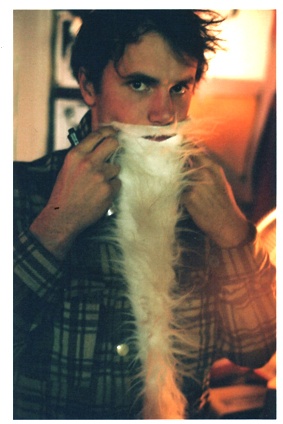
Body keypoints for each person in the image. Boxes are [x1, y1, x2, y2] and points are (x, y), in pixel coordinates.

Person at [13, 10, 276, 419]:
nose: (163, 114)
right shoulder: (18, 192)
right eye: (139, 84)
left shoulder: (209, 202)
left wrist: (234, 234)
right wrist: (57, 225)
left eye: (179, 88)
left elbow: (256, 347)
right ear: (87, 85)